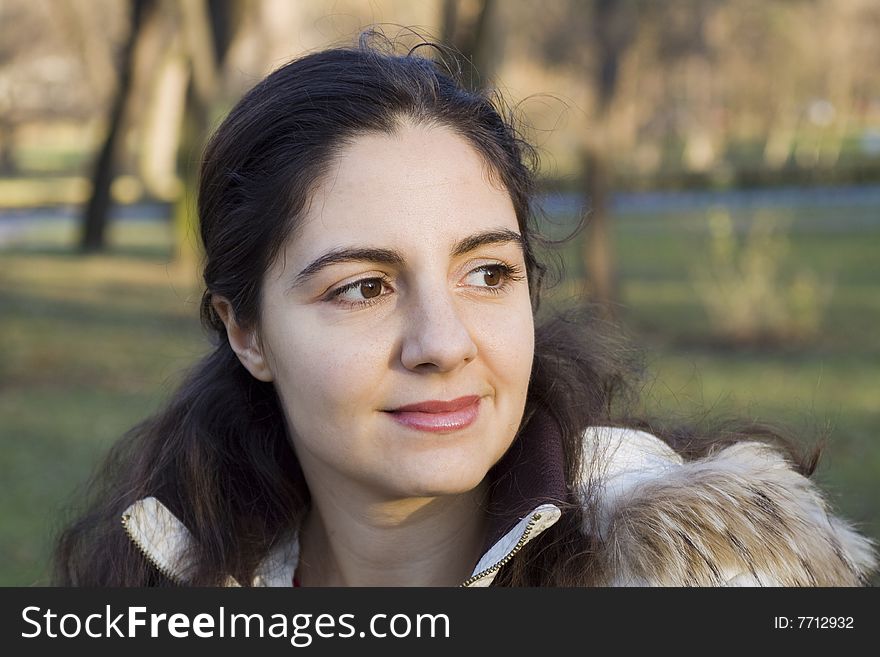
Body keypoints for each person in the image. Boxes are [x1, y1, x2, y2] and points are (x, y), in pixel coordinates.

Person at [55, 33, 876, 587]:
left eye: (487, 272)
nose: (443, 344)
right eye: (363, 287)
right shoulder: (173, 575)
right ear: (246, 331)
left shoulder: (698, 575)